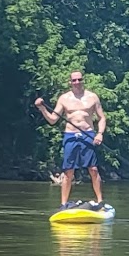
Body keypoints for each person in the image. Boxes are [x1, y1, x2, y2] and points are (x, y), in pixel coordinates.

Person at [34, 72, 107, 207]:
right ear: (70, 82)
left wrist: (100, 133)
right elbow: (53, 120)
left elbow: (102, 117)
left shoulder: (92, 97)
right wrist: (42, 108)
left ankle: (100, 201)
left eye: (79, 79)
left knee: (93, 169)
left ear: (83, 80)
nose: (77, 82)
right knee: (68, 171)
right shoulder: (64, 98)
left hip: (88, 134)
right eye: (74, 80)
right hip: (70, 135)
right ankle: (63, 204)